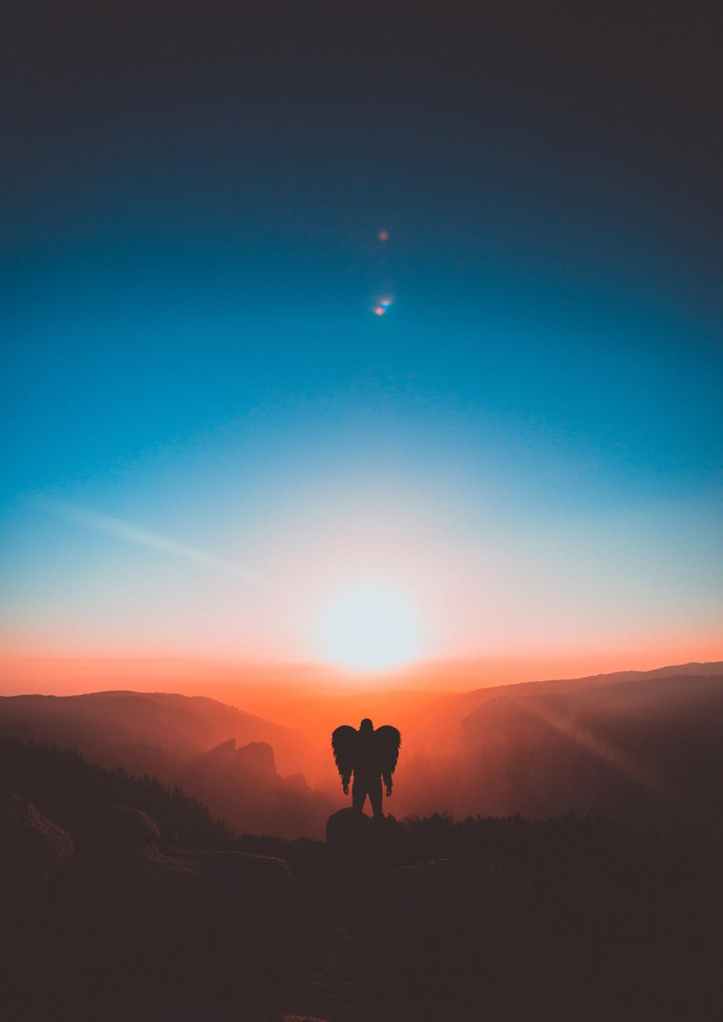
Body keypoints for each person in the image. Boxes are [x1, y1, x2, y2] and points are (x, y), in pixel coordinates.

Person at [331, 718, 401, 818]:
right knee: (376, 812)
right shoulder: (378, 741)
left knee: (357, 812)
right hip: (374, 781)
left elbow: (348, 763)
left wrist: (345, 782)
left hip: (360, 780)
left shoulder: (354, 741)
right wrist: (388, 784)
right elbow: (385, 765)